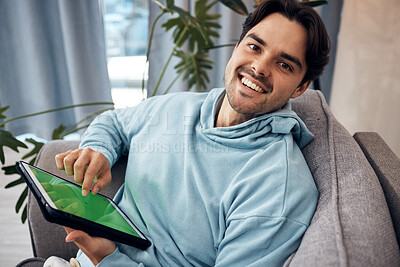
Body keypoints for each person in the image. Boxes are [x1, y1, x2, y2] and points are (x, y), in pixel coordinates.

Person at [47, 0, 330, 266]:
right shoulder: (179, 106)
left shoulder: (277, 189)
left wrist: (108, 258)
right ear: (237, 46)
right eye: (255, 47)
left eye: (284, 64)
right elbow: (115, 123)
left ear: (300, 87)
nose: (259, 67)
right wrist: (99, 150)